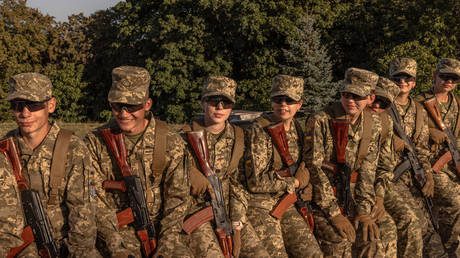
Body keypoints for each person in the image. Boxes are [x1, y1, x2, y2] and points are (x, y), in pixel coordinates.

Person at [85, 66, 191, 257]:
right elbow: (95, 200)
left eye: (132, 106)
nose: (124, 114)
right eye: (117, 106)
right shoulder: (95, 142)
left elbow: (178, 198)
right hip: (115, 230)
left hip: (163, 228)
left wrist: (165, 247)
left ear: (147, 104)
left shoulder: (169, 141)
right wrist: (116, 247)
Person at [2, 72, 98, 257]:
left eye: (34, 105)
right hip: (18, 246)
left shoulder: (72, 148)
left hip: (65, 245)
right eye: (17, 106)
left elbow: (83, 214)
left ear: (50, 105)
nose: (25, 113)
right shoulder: (5, 149)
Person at [305, 68, 397, 257]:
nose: (350, 101)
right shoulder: (321, 120)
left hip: (355, 193)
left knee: (382, 232)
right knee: (339, 241)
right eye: (346, 94)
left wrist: (363, 211)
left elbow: (368, 171)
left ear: (371, 98)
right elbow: (314, 168)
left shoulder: (374, 124)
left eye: (357, 96)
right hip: (324, 195)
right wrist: (334, 213)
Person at [181, 76, 269, 258]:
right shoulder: (183, 138)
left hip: (229, 210)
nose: (220, 107)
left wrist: (237, 221)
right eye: (213, 101)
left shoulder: (240, 138)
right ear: (202, 103)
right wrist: (188, 173)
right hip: (195, 211)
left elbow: (240, 183)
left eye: (226, 102)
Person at [371, 68, 446, 257]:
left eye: (408, 78)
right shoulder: (380, 106)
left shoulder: (419, 110)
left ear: (414, 82)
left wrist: (427, 173)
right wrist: (390, 140)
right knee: (414, 221)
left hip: (412, 174)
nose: (402, 81)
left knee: (429, 226)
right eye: (398, 78)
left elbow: (420, 148)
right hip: (390, 176)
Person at [245, 74, 322, 258]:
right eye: (278, 99)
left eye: (290, 100)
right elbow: (256, 182)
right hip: (261, 205)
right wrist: (294, 183)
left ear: (299, 104)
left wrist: (306, 184)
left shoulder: (297, 128)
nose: (284, 105)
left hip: (287, 202)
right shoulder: (259, 129)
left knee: (313, 253)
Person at [416, 58, 460, 256]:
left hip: (454, 163)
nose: (448, 81)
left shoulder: (457, 104)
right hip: (431, 164)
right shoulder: (419, 104)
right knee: (455, 202)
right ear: (434, 76)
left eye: (454, 78)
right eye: (444, 76)